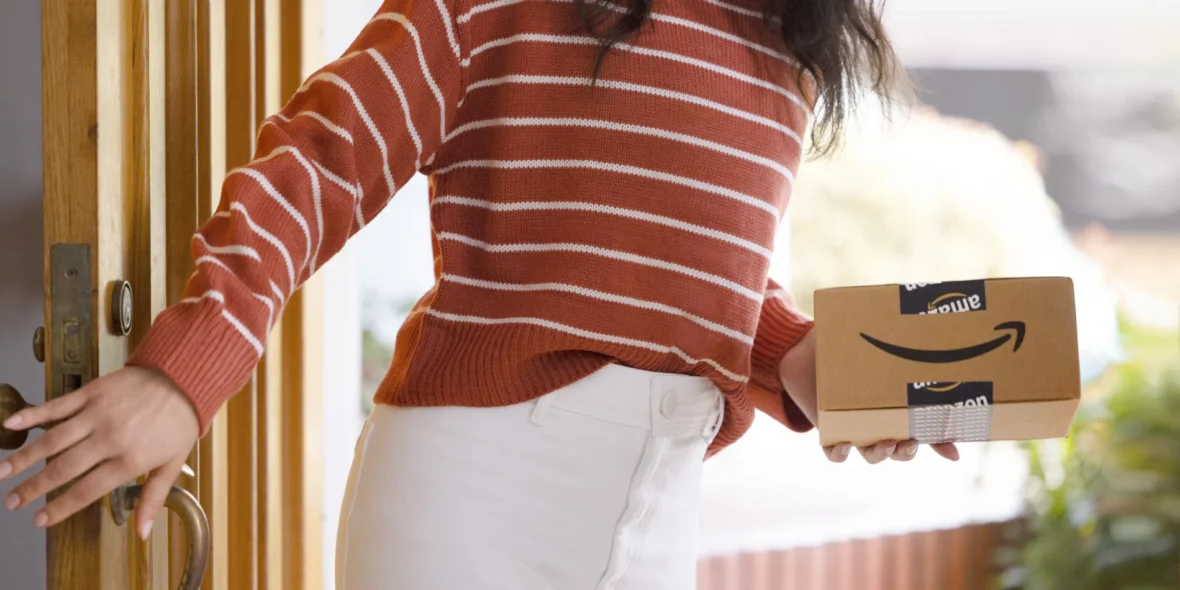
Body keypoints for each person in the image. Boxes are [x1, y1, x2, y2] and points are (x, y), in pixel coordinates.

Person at [1, 0, 958, 587]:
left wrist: (794, 357)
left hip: (655, 523)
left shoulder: (789, 44)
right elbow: (320, 160)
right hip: (471, 500)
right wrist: (188, 369)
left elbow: (665, 262)